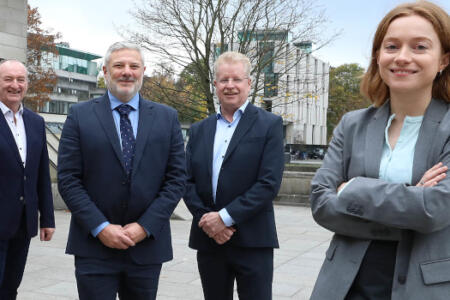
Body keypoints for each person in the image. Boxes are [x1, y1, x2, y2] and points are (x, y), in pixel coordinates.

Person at [310, 1, 450, 299]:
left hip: (423, 287)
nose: (402, 57)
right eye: (391, 46)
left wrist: (352, 189)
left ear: (443, 60)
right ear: (377, 56)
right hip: (345, 286)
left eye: (420, 47)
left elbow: (434, 209)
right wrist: (411, 196)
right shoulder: (352, 125)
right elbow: (321, 203)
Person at [57, 42, 186, 300]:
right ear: (105, 71)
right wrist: (101, 227)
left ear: (143, 72)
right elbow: (69, 178)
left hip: (146, 247)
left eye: (133, 66)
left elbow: (176, 179)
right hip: (94, 246)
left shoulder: (167, 117)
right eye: (119, 65)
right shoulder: (79, 115)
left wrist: (145, 226)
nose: (127, 71)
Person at [184, 51, 284, 300]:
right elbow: (185, 181)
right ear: (215, 85)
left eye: (237, 79)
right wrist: (209, 222)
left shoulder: (269, 125)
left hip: (253, 239)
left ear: (248, 84)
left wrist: (225, 218)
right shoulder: (198, 130)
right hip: (209, 241)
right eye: (224, 80)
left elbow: (268, 183)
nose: (230, 86)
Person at [0, 59, 55, 299]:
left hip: (22, 224)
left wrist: (48, 218)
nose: (15, 85)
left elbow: (41, 173)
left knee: (10, 287)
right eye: (8, 79)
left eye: (20, 79)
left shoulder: (35, 122)